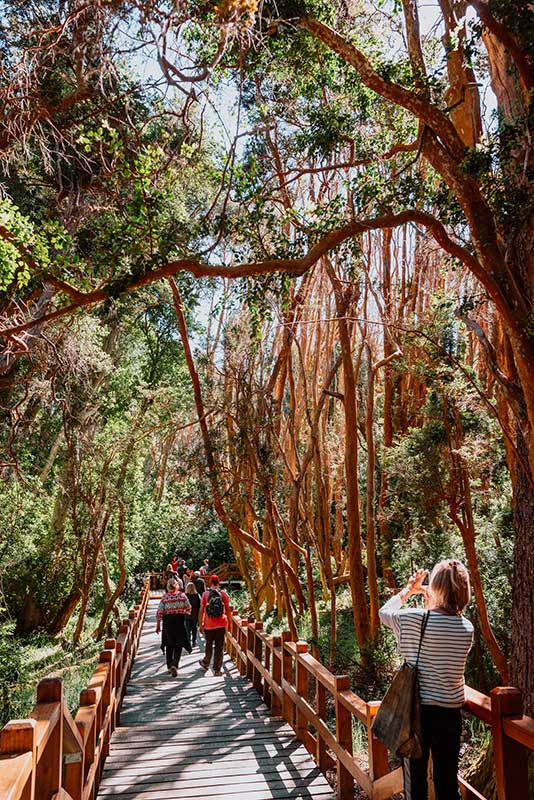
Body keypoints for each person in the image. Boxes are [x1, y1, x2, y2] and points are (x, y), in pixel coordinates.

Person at [379, 560, 474, 800]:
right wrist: (433, 603)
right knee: (447, 783)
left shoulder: (414, 619)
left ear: (434, 588)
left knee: (416, 784)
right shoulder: (467, 629)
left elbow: (385, 613)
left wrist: (408, 590)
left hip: (417, 712)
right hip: (450, 714)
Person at [155, 578, 192, 676]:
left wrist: (158, 625)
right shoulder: (182, 596)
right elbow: (188, 608)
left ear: (168, 587)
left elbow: (159, 612)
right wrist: (183, 611)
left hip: (168, 623)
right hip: (179, 622)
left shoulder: (165, 598)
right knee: (178, 644)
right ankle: (175, 664)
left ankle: (169, 665)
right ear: (177, 586)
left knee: (169, 644)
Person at [198, 574, 230, 676]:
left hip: (208, 624)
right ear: (219, 582)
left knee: (209, 644)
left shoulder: (205, 594)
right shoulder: (223, 594)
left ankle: (206, 662)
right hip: (221, 624)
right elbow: (228, 610)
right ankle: (217, 670)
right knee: (219, 647)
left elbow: (201, 610)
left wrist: (200, 624)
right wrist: (229, 622)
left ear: (210, 582)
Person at [185, 581, 201, 647]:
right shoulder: (197, 596)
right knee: (194, 629)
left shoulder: (185, 596)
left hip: (187, 615)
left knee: (188, 630)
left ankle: (188, 642)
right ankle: (194, 642)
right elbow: (200, 606)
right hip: (195, 615)